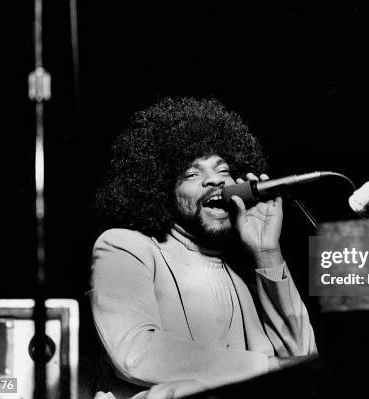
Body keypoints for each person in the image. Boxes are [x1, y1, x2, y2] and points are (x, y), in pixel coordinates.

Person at [90, 97, 317, 399]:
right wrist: (264, 368)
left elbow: (302, 362)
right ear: (161, 188)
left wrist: (266, 252)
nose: (214, 182)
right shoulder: (124, 246)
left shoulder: (245, 274)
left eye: (223, 172)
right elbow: (137, 352)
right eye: (192, 174)